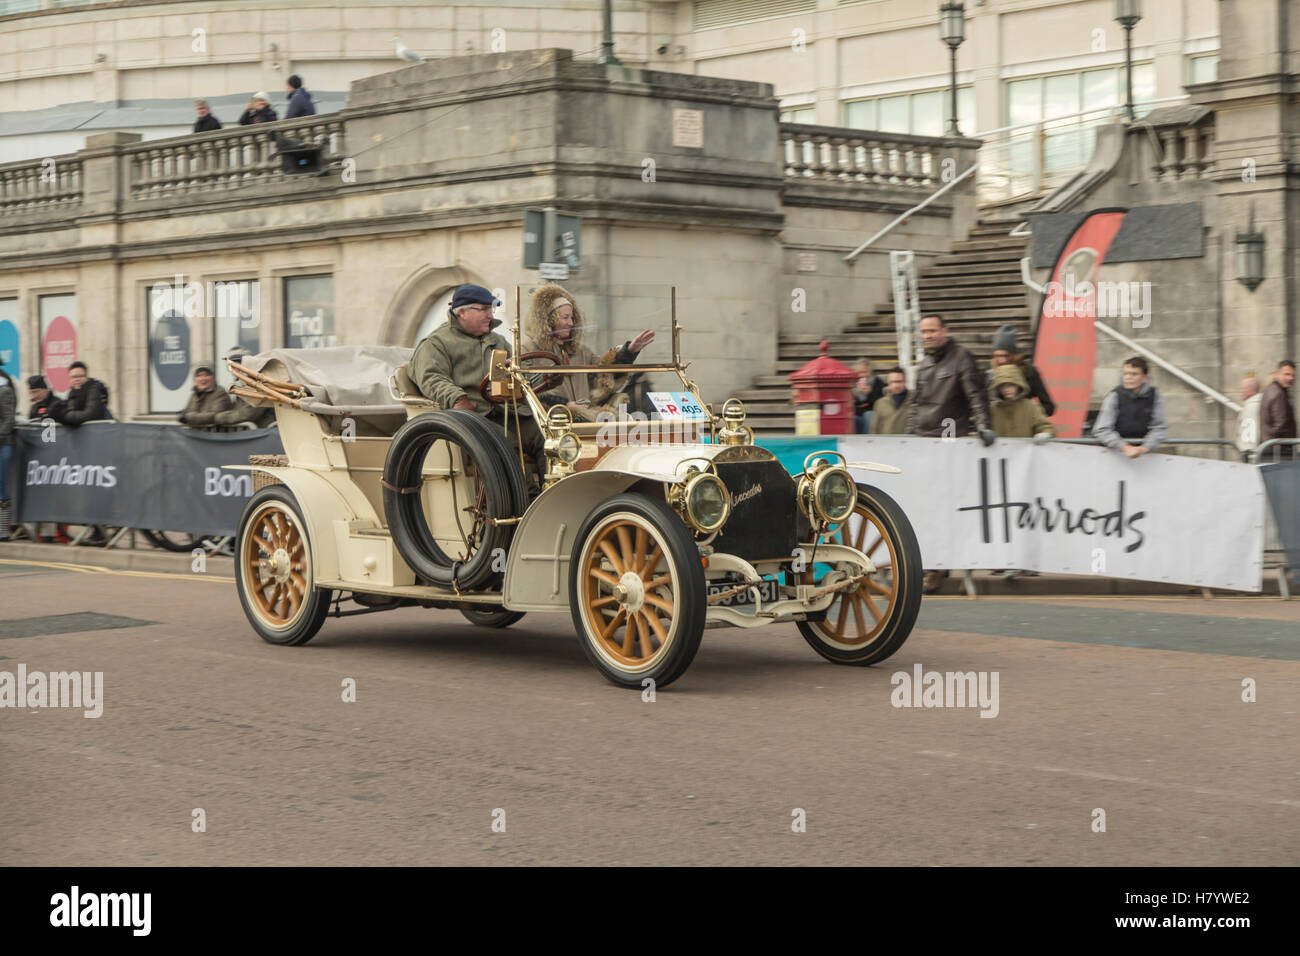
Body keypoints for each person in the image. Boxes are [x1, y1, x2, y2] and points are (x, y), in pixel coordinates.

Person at [409, 284, 546, 487]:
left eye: (491, 309)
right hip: (473, 418)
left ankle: (555, 493)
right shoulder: (436, 343)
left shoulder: (498, 341)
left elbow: (522, 369)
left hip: (509, 412)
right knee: (504, 441)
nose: (490, 315)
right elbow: (432, 378)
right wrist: (457, 398)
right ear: (462, 312)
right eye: (484, 309)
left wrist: (535, 376)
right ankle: (524, 504)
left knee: (549, 434)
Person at [522, 284, 653, 422]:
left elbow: (605, 375)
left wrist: (629, 352)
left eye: (572, 318)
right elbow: (528, 390)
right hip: (552, 421)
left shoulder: (580, 351)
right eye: (565, 318)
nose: (571, 323)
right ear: (549, 320)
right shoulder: (529, 351)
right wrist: (565, 404)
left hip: (586, 420)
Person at [908, 314, 994, 444]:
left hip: (949, 438)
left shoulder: (962, 358)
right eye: (923, 332)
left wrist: (983, 427)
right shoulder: (923, 365)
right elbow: (915, 405)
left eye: (932, 331)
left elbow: (976, 396)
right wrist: (908, 434)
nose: (927, 336)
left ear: (945, 331)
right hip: (922, 438)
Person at [1091, 356, 1167, 458]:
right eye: (1125, 373)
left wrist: (1144, 448)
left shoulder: (1154, 395)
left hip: (1143, 455)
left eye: (1134, 374)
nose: (1128, 377)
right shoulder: (1114, 396)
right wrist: (1125, 447)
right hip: (1113, 454)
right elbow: (1101, 429)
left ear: (1145, 378)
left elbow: (1159, 427)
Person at [988, 324, 1055, 417]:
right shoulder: (991, 374)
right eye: (998, 356)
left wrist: (1029, 415)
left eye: (1006, 355)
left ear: (1014, 355)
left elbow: (1049, 406)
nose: (1002, 360)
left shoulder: (1029, 372)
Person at [213, 348, 276, 429]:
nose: (237, 368)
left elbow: (249, 413)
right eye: (232, 365)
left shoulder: (259, 383)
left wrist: (217, 418)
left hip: (262, 433)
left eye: (240, 363)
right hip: (247, 433)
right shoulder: (238, 385)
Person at [989, 364, 1054, 440]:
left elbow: (1045, 426)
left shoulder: (1031, 406)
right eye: (1002, 386)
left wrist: (1045, 434)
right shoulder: (993, 409)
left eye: (1010, 385)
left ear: (1018, 385)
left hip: (1026, 451)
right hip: (1001, 451)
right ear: (997, 388)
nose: (1006, 389)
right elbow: (987, 429)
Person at [49, 361, 112, 428]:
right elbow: (70, 411)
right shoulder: (72, 393)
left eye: (80, 376)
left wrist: (64, 416)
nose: (77, 379)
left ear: (86, 377)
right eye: (73, 377)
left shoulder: (94, 389)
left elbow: (90, 414)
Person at [1260, 360, 1297, 458]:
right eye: (1287, 374)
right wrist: (1288, 444)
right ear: (1277, 374)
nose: (1290, 378)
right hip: (1279, 451)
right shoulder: (1278, 394)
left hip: (1270, 448)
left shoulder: (1270, 389)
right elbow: (1281, 425)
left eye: (1293, 375)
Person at [870, 367, 912, 434]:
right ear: (888, 383)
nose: (896, 385)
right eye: (892, 382)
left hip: (908, 442)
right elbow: (874, 430)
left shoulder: (915, 401)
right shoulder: (880, 403)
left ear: (905, 381)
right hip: (886, 443)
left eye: (899, 381)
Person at [852, 358, 884, 434]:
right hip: (857, 414)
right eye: (858, 373)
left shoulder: (878, 382)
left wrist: (870, 393)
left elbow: (881, 403)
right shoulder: (852, 384)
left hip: (872, 413)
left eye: (864, 372)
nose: (861, 375)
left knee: (869, 415)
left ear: (870, 372)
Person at [0, 368, 14, 541]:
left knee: (1, 486)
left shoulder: (4, 390)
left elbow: (9, 420)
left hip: (3, 445)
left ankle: (3, 530)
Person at [1237, 375, 1262, 456]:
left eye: (1243, 388)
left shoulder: (1251, 407)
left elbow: (1248, 436)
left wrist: (1247, 454)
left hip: (1249, 455)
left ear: (1250, 390)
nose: (1241, 391)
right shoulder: (1257, 404)